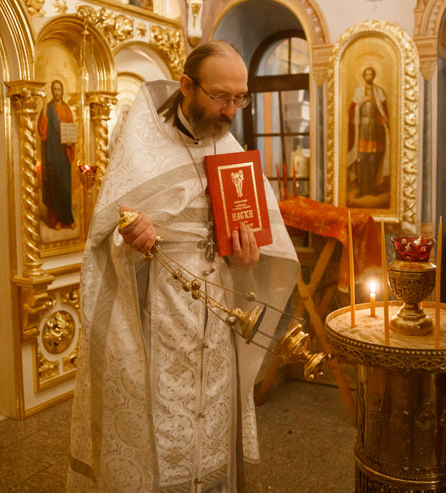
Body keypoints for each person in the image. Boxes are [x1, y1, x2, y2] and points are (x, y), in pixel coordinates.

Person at [68, 41, 299, 491]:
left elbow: (254, 238)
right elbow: (105, 233)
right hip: (155, 314)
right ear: (187, 86)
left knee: (212, 422)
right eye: (220, 97)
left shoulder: (228, 145)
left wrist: (248, 257)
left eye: (240, 98)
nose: (231, 110)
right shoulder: (141, 147)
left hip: (217, 319)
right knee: (160, 427)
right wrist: (132, 233)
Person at [346, 66, 389, 202]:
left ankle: (371, 188)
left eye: (371, 74)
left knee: (373, 159)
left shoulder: (379, 92)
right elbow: (351, 111)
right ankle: (362, 189)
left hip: (375, 130)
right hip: (362, 130)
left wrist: (374, 102)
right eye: (367, 75)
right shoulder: (359, 92)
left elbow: (384, 111)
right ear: (364, 77)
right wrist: (362, 102)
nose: (369, 77)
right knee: (362, 159)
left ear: (374, 76)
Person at [38, 80, 76, 229]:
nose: (57, 92)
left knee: (65, 186)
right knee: (54, 185)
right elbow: (42, 129)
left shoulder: (67, 110)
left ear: (62, 91)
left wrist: (70, 142)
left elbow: (71, 130)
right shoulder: (48, 108)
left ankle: (67, 218)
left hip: (63, 154)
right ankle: (56, 220)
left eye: (59, 89)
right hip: (52, 153)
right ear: (52, 91)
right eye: (54, 89)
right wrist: (43, 106)